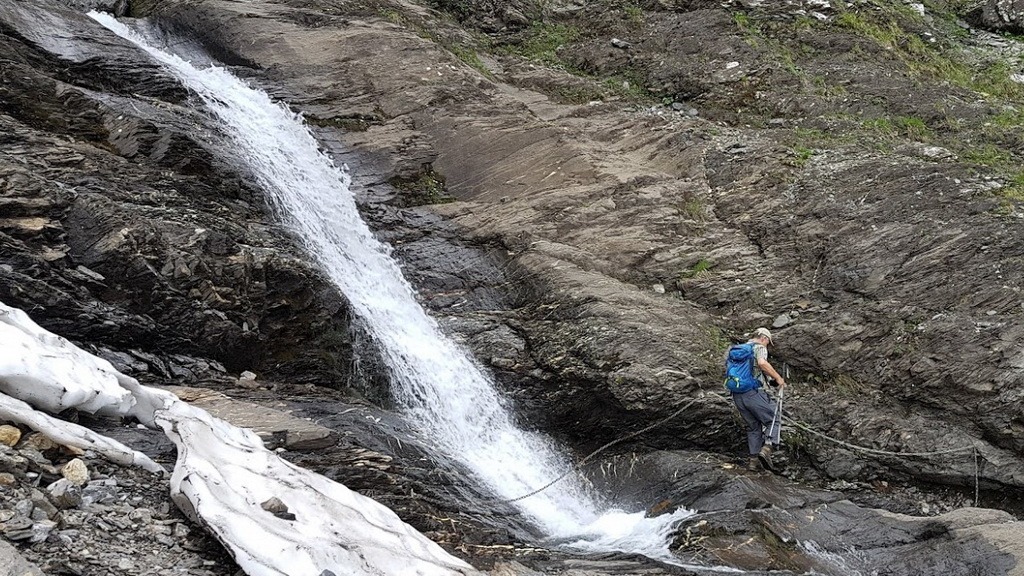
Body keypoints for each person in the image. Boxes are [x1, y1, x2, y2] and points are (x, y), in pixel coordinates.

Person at [729, 327, 786, 471]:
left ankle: (753, 462)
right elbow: (762, 363)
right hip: (753, 392)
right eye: (768, 342)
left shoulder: (738, 350)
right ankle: (767, 449)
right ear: (764, 338)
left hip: (737, 394)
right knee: (774, 417)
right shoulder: (759, 348)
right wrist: (778, 378)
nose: (767, 345)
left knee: (753, 427)